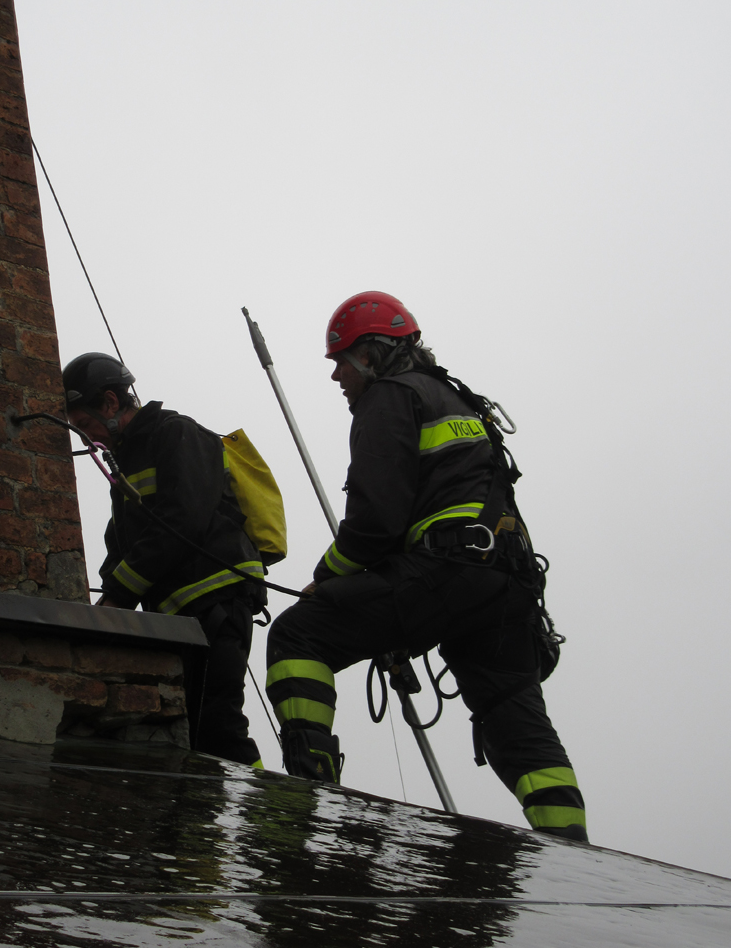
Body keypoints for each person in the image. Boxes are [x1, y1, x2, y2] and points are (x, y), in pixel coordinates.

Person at [265, 292, 587, 841]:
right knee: (518, 722)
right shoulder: (459, 401)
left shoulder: (389, 397)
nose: (337, 374)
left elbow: (374, 523)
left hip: (447, 570)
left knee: (299, 634)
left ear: (373, 352)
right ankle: (575, 854)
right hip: (506, 580)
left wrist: (325, 579)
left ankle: (307, 797)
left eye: (342, 359)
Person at [63, 352, 265, 768]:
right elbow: (122, 542)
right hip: (182, 616)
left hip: (218, 601)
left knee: (218, 724)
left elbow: (182, 520)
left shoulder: (178, 434)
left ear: (110, 403)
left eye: (84, 425)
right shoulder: (127, 465)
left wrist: (119, 597)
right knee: (193, 731)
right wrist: (103, 610)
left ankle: (269, 825)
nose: (86, 440)